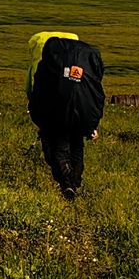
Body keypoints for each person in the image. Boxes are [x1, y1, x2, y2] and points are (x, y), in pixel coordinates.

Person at [26, 29, 105, 199]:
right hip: (83, 111)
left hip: (56, 111)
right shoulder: (83, 59)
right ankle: (73, 182)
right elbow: (95, 91)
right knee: (76, 144)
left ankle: (67, 184)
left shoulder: (44, 60)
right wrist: (92, 124)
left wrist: (40, 116)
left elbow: (33, 89)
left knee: (58, 146)